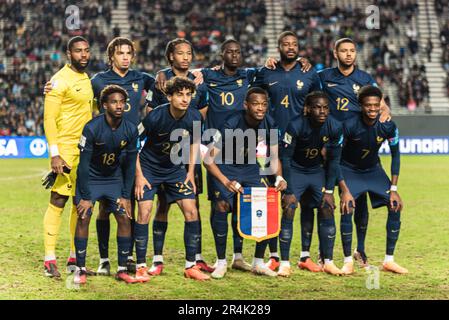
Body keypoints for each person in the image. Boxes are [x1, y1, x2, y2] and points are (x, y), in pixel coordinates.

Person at [317, 38, 391, 268]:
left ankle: (360, 250)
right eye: (344, 51)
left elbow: (382, 104)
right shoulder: (323, 77)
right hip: (331, 144)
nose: (348, 54)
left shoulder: (365, 79)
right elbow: (313, 102)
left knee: (359, 201)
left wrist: (386, 113)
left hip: (355, 146)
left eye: (352, 51)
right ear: (335, 52)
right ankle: (324, 252)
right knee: (326, 198)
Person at [252, 31, 322, 272]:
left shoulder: (309, 72)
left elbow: (320, 100)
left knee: (302, 200)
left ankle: (304, 255)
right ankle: (272, 255)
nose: (290, 47)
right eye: (286, 44)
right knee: (269, 196)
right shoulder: (266, 71)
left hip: (300, 144)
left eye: (294, 44)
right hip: (266, 141)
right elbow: (252, 97)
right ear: (278, 47)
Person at [144, 38, 212, 276]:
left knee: (193, 205)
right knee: (163, 204)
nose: (185, 57)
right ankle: (157, 259)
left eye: (189, 53)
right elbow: (151, 115)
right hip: (163, 155)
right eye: (180, 53)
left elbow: (201, 113)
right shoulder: (160, 80)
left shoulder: (199, 80)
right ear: (171, 56)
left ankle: (197, 257)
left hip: (188, 155)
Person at [204, 87, 287, 279]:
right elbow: (208, 159)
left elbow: (273, 157)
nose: (260, 108)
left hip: (250, 168)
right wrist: (225, 182)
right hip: (225, 167)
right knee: (222, 206)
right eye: (256, 104)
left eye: (264, 104)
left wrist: (279, 177)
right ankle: (221, 262)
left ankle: (258, 262)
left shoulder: (270, 123)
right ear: (246, 105)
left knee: (265, 205)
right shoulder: (231, 123)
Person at [73, 85, 139, 284]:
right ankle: (81, 269)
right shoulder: (91, 128)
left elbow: (129, 167)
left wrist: (126, 196)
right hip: (91, 179)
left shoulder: (130, 129)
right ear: (104, 105)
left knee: (124, 217)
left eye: (122, 102)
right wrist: (85, 197)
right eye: (114, 102)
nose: (119, 106)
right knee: (83, 217)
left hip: (114, 179)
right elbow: (83, 166)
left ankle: (121, 270)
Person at [338, 85, 407, 275]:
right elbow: (335, 158)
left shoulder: (388, 126)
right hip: (349, 170)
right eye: (368, 106)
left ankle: (389, 260)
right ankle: (347, 261)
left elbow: (396, 157)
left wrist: (393, 188)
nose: (373, 109)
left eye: (376, 105)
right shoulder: (349, 124)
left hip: (373, 170)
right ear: (361, 105)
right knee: (349, 207)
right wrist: (343, 189)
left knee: (395, 204)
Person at [279, 91, 348, 277]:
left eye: (325, 107)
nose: (322, 111)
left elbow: (334, 161)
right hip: (295, 170)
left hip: (316, 171)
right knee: (290, 206)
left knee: (327, 206)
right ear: (307, 109)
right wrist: (289, 190)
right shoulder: (295, 125)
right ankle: (284, 263)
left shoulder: (335, 126)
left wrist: (329, 191)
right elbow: (284, 158)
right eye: (317, 107)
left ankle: (329, 262)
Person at [42, 36, 93, 278]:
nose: (83, 55)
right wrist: (55, 155)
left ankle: (75, 257)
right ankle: (49, 258)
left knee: (79, 202)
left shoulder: (85, 79)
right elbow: (49, 119)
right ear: (68, 53)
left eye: (86, 50)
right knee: (59, 199)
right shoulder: (58, 81)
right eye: (78, 51)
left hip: (85, 151)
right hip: (66, 151)